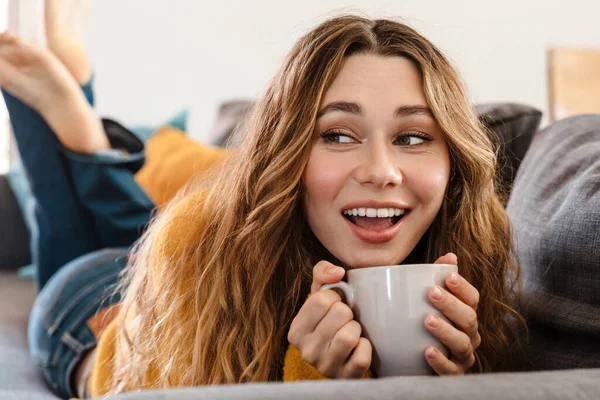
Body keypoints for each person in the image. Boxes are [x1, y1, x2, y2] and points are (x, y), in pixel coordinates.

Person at [0, 5, 522, 399]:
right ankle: (74, 118)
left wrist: (455, 381)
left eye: (412, 138)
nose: (382, 172)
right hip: (86, 315)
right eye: (338, 135)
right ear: (288, 149)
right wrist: (310, 379)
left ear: (454, 159)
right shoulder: (199, 240)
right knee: (81, 251)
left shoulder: (473, 240)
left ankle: (77, 107)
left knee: (148, 232)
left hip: (158, 271)